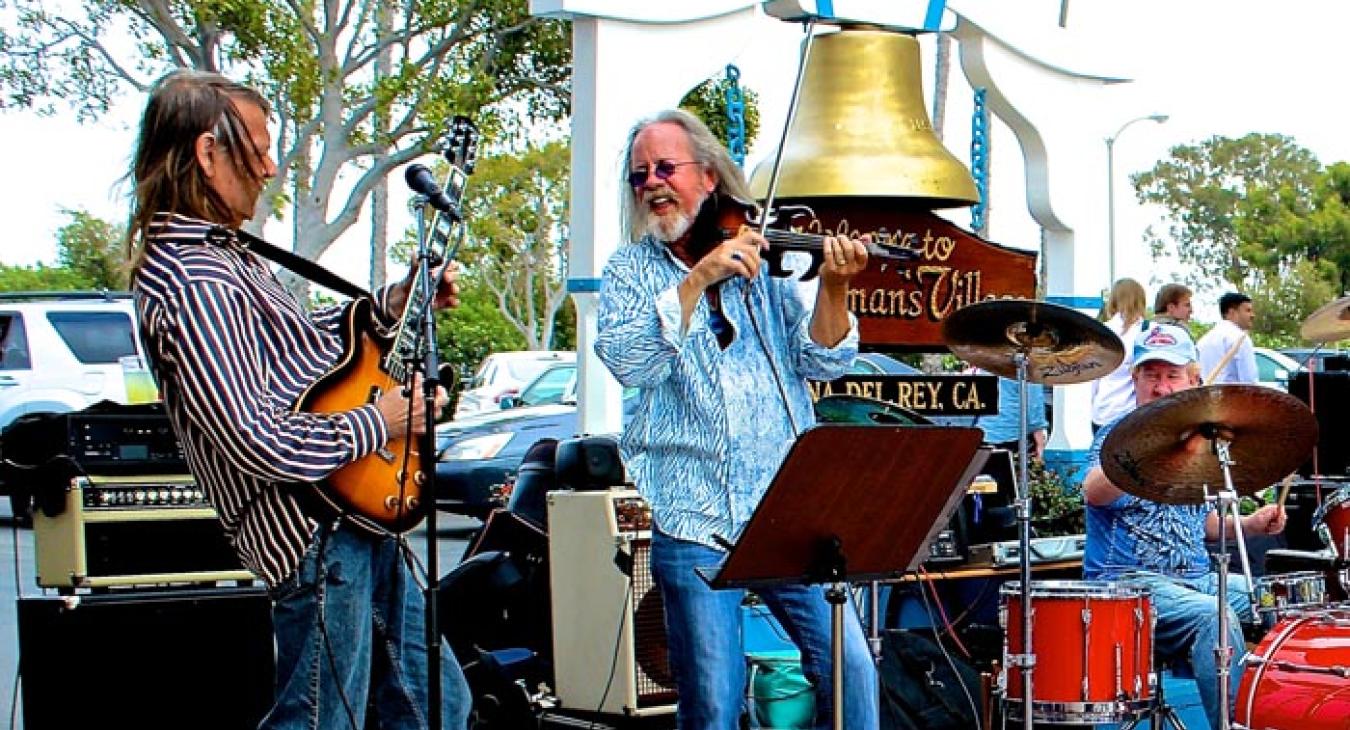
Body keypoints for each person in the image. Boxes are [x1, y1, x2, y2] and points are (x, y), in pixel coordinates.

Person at [126, 70, 471, 729]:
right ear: (207, 153)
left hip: (350, 513)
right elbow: (255, 435)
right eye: (257, 148)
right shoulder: (191, 278)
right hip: (313, 528)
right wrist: (383, 420)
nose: (268, 167)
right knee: (320, 720)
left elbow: (302, 363)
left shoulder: (228, 257)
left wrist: (390, 306)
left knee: (434, 706)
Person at [594, 109, 878, 729]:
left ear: (709, 175)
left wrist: (834, 287)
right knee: (715, 703)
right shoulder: (627, 272)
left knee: (852, 669)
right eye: (640, 175)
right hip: (692, 513)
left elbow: (822, 361)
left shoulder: (764, 262)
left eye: (666, 167)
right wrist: (698, 278)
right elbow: (630, 362)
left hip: (785, 506)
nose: (653, 184)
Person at [1082, 323, 1285, 730]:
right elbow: (1093, 492)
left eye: (1171, 375)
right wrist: (1154, 446)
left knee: (1281, 602)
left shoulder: (1200, 445)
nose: (1161, 387)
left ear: (1192, 381)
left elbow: (1201, 524)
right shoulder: (1115, 435)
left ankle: (1276, 714)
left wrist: (1251, 523)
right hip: (1129, 585)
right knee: (1215, 616)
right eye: (1151, 375)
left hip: (1196, 578)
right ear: (1135, 380)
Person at [1090, 278, 1148, 433]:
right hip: (1134, 413)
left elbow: (1092, 377)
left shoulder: (1101, 331)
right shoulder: (1148, 332)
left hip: (1102, 410)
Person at [1197, 292, 1258, 384]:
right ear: (1231, 312)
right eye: (1248, 310)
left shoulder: (1203, 341)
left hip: (1207, 396)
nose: (1252, 315)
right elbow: (1250, 382)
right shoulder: (1240, 338)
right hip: (1233, 397)